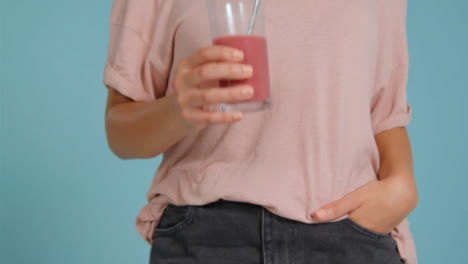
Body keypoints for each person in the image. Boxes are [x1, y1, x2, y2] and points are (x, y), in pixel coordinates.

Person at [103, 0, 419, 263]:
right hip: (208, 237)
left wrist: (402, 185)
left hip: (348, 235)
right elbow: (119, 130)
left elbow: (384, 113)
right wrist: (177, 110)